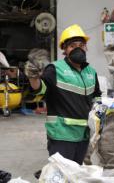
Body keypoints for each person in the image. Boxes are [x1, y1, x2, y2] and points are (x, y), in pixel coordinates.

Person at [24, 24, 101, 165]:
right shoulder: (55, 69)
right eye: (72, 46)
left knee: (76, 174)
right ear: (64, 50)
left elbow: (97, 96)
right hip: (62, 136)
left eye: (81, 45)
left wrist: (100, 111)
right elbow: (40, 89)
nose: (78, 48)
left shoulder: (91, 72)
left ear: (86, 47)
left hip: (84, 135)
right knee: (61, 175)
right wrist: (33, 77)